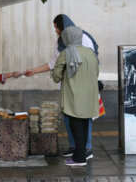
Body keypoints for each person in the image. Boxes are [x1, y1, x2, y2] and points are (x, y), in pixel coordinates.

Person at [24, 14, 99, 159]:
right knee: (68, 116)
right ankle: (75, 146)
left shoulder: (84, 39)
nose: (56, 31)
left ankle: (86, 148)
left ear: (63, 27)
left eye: (57, 28)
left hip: (82, 86)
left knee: (83, 117)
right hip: (69, 88)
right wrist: (33, 71)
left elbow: (59, 71)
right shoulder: (61, 43)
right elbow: (53, 63)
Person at [52, 26, 99, 166]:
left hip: (73, 94)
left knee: (75, 123)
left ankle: (79, 158)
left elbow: (56, 76)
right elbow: (96, 72)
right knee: (84, 123)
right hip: (89, 94)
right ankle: (82, 153)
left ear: (67, 38)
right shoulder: (91, 53)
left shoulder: (66, 53)